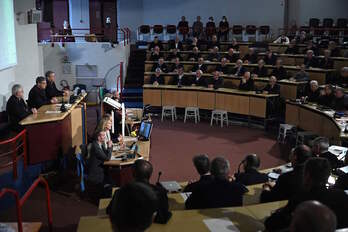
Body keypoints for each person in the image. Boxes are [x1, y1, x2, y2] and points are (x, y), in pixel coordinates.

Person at [264, 157, 348, 231]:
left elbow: (271, 224)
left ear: (307, 175)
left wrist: (280, 212)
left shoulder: (301, 199)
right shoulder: (342, 196)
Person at [107, 160, 172, 224]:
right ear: (150, 174)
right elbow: (164, 217)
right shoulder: (160, 192)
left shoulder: (120, 192)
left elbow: (109, 211)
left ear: (132, 174)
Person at [87, 130, 112, 199]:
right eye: (103, 135)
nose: (105, 137)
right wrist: (110, 147)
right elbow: (107, 158)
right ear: (98, 137)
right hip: (96, 171)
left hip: (100, 166)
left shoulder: (99, 144)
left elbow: (105, 154)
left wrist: (108, 147)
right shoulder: (96, 147)